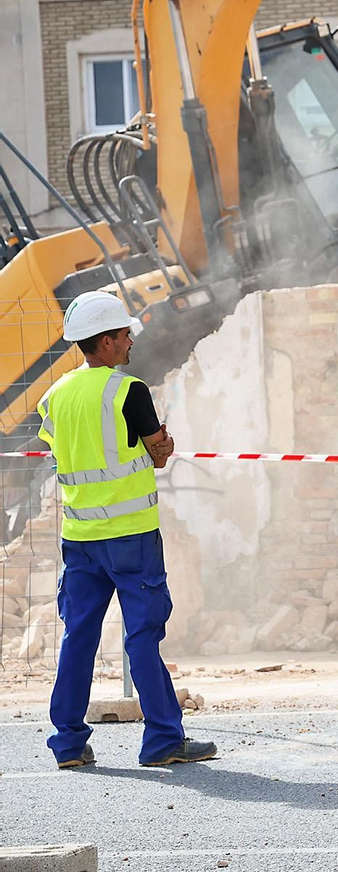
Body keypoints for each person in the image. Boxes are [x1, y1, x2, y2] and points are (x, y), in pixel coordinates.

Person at [40, 291, 217, 769]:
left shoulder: (53, 397)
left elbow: (64, 455)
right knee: (141, 635)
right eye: (123, 334)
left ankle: (69, 744)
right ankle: (162, 740)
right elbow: (159, 452)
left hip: (79, 539)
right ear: (104, 342)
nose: (130, 339)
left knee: (78, 635)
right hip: (131, 537)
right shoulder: (127, 390)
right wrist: (162, 445)